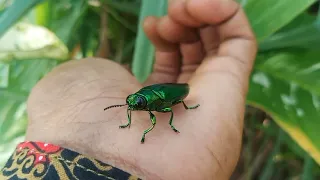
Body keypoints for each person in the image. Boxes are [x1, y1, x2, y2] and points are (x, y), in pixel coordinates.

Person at [0, 0, 257, 179]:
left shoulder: (153, 106)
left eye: (136, 103)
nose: (133, 107)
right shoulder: (138, 103)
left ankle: (187, 108)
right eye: (132, 103)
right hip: (164, 89)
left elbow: (159, 108)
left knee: (171, 109)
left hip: (178, 92)